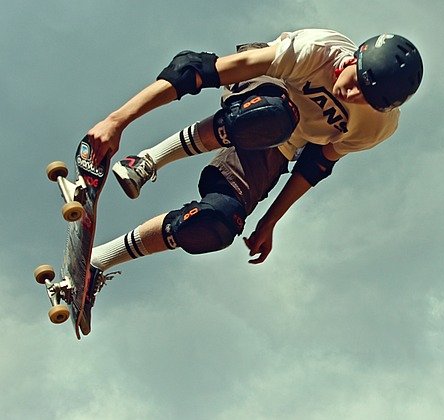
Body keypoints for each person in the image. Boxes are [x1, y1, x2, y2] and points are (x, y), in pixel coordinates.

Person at [81, 29, 423, 333]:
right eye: (355, 81)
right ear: (352, 59)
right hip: (265, 92)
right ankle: (148, 160)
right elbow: (196, 72)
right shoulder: (315, 50)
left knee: (217, 222)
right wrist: (117, 121)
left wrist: (270, 221)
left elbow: (315, 165)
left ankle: (97, 262)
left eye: (366, 98)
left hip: (278, 148)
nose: (351, 95)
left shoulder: (376, 127)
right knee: (271, 116)